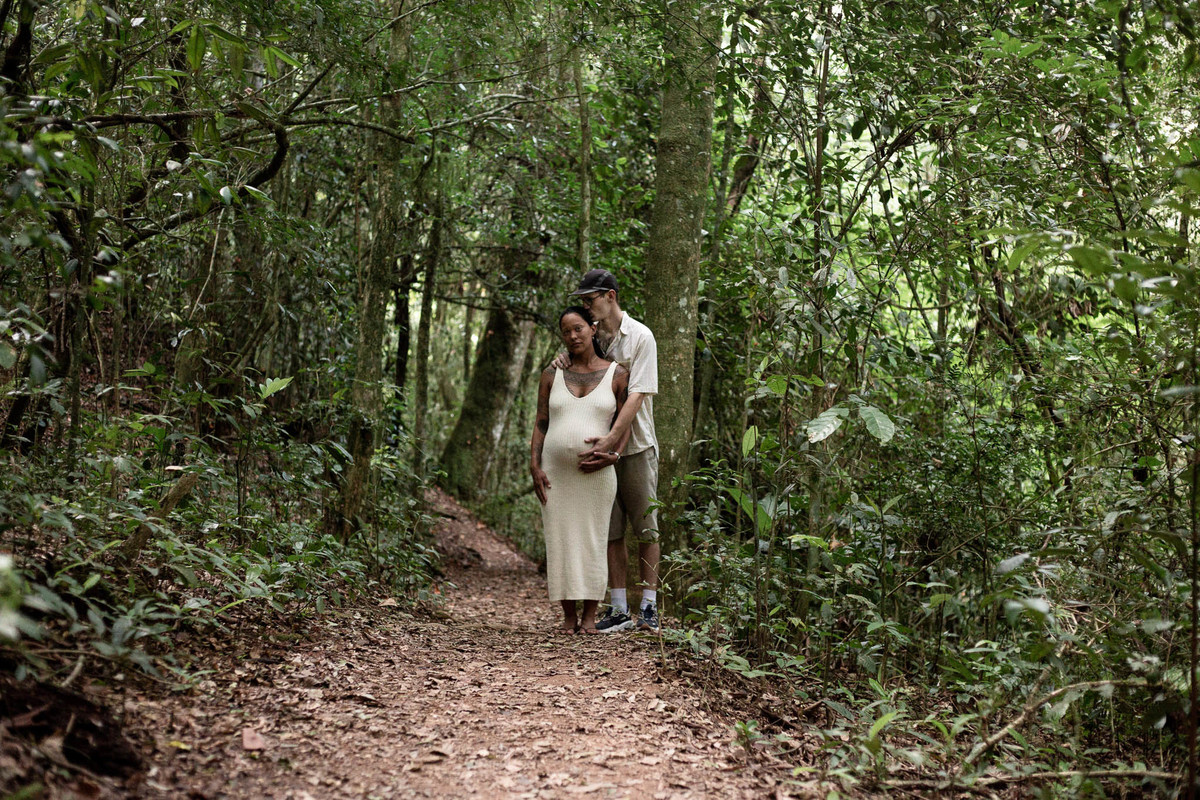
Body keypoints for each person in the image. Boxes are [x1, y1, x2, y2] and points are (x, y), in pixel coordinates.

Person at [557, 269, 661, 633]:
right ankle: (618, 608)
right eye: (584, 301)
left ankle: (648, 607)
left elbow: (637, 396)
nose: (586, 307)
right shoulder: (593, 335)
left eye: (591, 300)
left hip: (635, 447)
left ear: (610, 296)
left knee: (646, 529)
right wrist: (561, 362)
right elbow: (576, 370)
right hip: (598, 450)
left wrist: (613, 442)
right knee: (611, 530)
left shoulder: (640, 337)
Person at [531, 306, 630, 634]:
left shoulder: (617, 374)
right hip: (555, 474)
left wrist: (614, 455)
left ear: (592, 327)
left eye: (578, 329)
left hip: (597, 474)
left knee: (593, 539)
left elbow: (625, 424)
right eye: (566, 332)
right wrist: (534, 465)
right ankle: (568, 618)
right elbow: (541, 422)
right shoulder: (552, 373)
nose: (573, 336)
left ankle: (590, 617)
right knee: (559, 540)